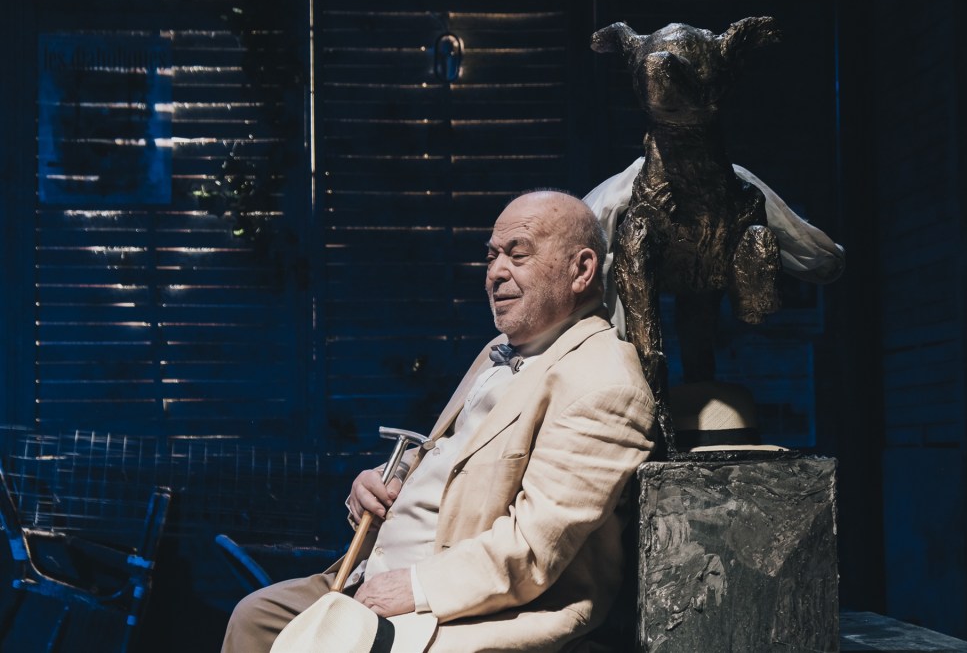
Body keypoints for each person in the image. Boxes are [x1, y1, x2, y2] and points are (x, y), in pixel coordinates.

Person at [221, 190, 656, 652]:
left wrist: (415, 586)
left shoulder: (605, 383)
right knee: (257, 618)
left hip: (471, 607)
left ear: (581, 270)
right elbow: (457, 460)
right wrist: (387, 481)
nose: (495, 272)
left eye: (518, 255)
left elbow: (533, 549)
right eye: (491, 257)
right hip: (372, 570)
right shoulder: (497, 352)